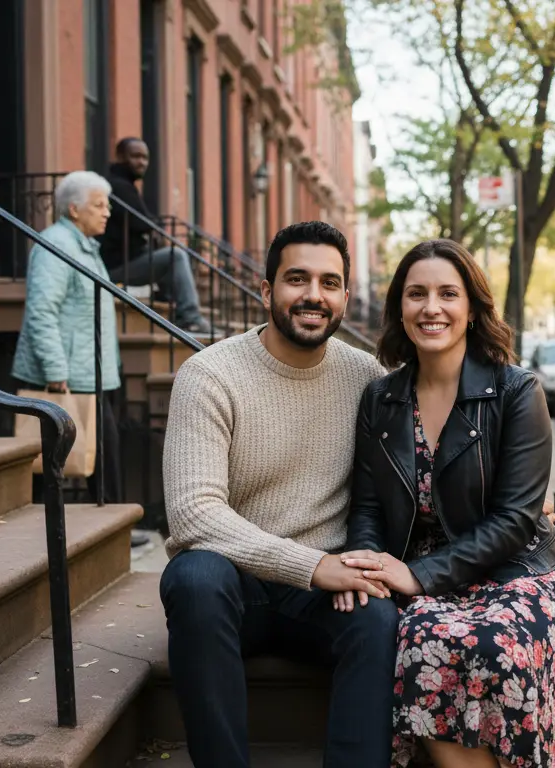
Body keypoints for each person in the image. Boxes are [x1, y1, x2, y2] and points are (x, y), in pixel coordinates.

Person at [341, 239, 555, 767]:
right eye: (416, 293)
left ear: (472, 309)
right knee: (425, 640)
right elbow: (369, 506)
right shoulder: (381, 398)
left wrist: (417, 575)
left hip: (517, 571)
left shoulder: (517, 392)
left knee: (494, 645)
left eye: (448, 293)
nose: (432, 307)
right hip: (426, 579)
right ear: (399, 307)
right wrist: (368, 569)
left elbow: (516, 520)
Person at [159, 221, 399, 768]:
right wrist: (313, 564)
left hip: (323, 598)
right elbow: (195, 515)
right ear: (266, 291)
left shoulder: (367, 377)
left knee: (379, 620)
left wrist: (519, 488)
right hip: (234, 590)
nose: (314, 295)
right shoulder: (209, 375)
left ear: (342, 296)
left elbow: (427, 452)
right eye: (297, 279)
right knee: (194, 576)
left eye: (329, 283)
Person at [11, 171, 124, 504]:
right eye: (99, 205)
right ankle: (108, 529)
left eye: (107, 205)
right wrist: (56, 371)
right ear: (74, 209)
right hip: (69, 377)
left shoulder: (85, 248)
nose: (107, 212)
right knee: (63, 464)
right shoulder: (56, 246)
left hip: (90, 372)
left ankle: (112, 528)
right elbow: (41, 311)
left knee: (98, 461)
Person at [99, 137, 211, 334]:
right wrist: (154, 226)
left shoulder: (123, 185)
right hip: (113, 268)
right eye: (135, 156)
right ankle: (190, 317)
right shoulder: (118, 186)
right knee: (175, 256)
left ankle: (170, 300)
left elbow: (144, 223)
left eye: (145, 157)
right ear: (120, 157)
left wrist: (153, 227)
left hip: (126, 262)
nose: (141, 162)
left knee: (167, 256)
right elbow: (142, 223)